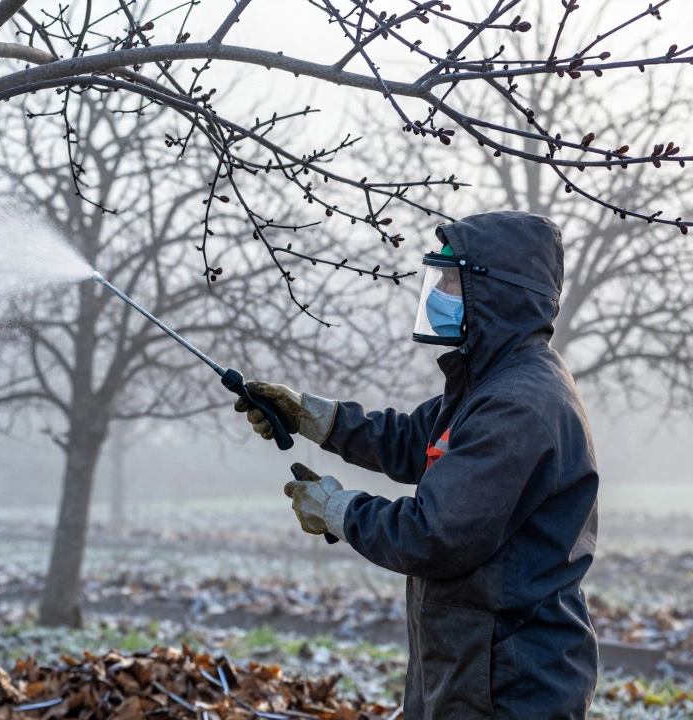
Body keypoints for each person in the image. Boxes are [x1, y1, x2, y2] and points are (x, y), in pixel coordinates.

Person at [236, 211, 599, 720]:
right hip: (474, 667)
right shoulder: (492, 385)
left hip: (510, 684)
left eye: (452, 280)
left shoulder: (519, 406)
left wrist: (337, 509)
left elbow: (432, 535)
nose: (438, 293)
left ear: (497, 294)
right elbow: (413, 440)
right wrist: (312, 416)